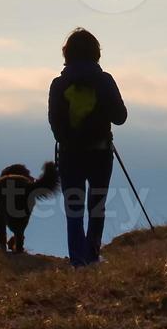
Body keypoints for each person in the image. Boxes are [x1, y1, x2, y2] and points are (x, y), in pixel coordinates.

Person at [48, 28, 127, 267]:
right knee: (97, 205)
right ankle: (93, 256)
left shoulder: (59, 84)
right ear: (96, 53)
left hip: (70, 155)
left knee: (74, 208)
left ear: (67, 54)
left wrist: (70, 139)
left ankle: (77, 262)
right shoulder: (104, 81)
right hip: (100, 153)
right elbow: (120, 117)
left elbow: (56, 126)